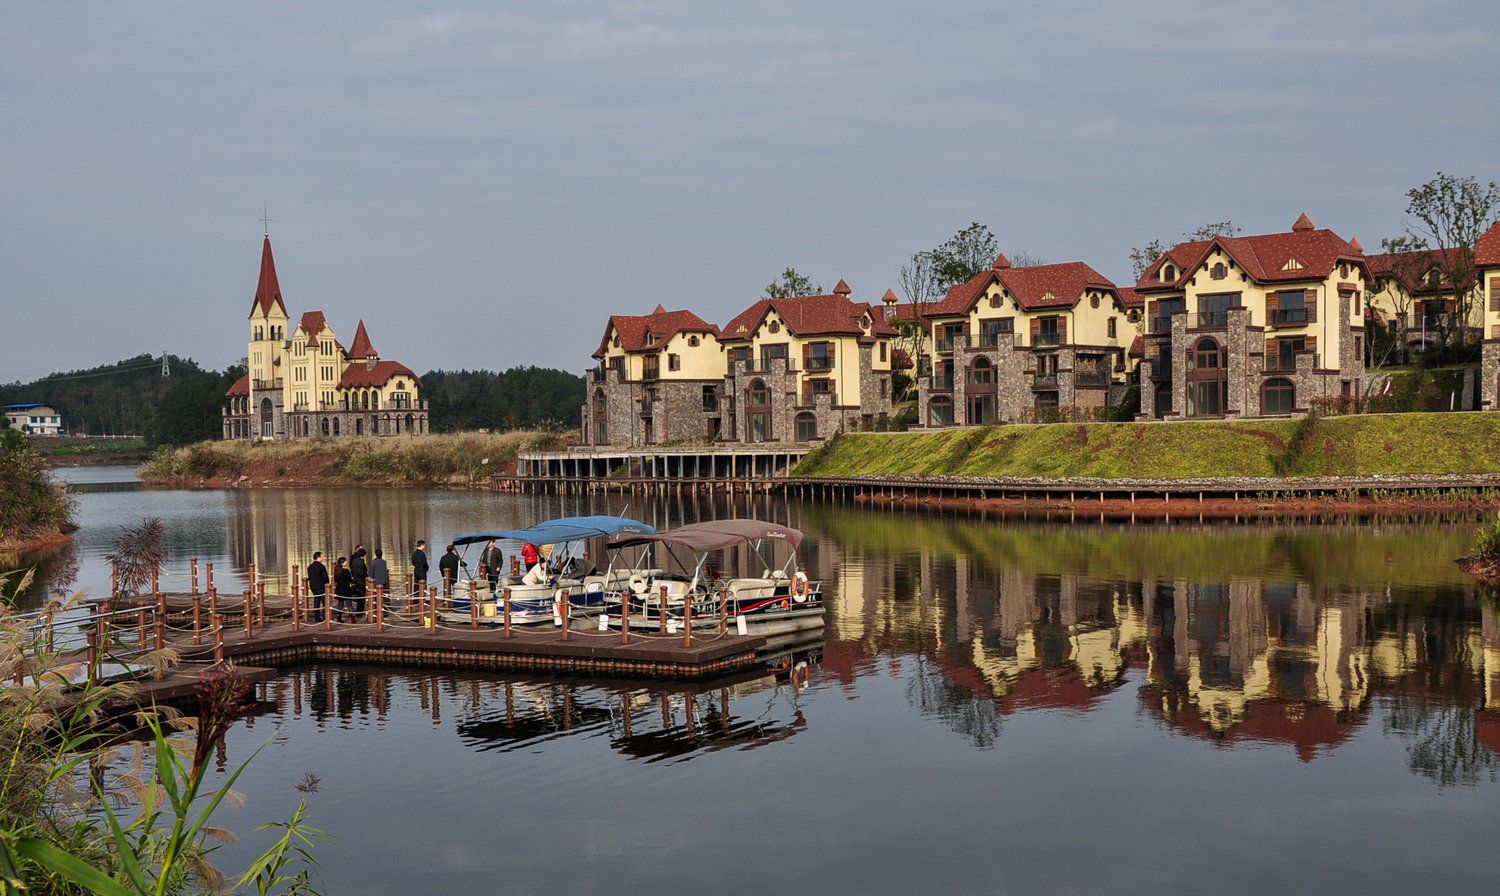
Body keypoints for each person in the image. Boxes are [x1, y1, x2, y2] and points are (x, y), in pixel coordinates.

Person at [306, 551, 329, 623]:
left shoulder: (310, 567)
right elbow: (325, 578)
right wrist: (327, 582)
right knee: (325, 602)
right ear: (318, 557)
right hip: (321, 587)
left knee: (316, 602)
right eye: (322, 557)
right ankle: (325, 617)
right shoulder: (321, 567)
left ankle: (317, 617)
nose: (323, 558)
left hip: (313, 587)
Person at [332, 556, 355, 622]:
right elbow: (350, 580)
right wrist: (353, 581)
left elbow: (335, 580)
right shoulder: (346, 571)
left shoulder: (336, 571)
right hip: (346, 589)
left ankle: (338, 617)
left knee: (340, 604)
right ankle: (352, 618)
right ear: (343, 562)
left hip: (339, 589)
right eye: (345, 561)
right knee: (349, 604)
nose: (346, 562)